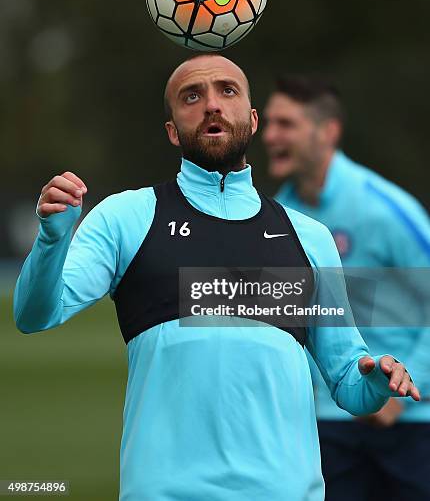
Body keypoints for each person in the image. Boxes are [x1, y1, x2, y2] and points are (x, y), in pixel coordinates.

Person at [14, 56, 419, 501]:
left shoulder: (310, 237)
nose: (211, 105)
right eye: (192, 95)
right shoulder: (126, 217)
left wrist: (377, 381)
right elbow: (35, 314)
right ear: (172, 130)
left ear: (251, 118)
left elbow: (348, 384)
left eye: (227, 91)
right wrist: (52, 238)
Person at [262, 74, 430, 501]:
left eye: (286, 124)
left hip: (410, 423)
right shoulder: (279, 219)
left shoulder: (384, 209)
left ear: (328, 131)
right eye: (269, 123)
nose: (270, 135)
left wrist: (404, 392)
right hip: (326, 425)